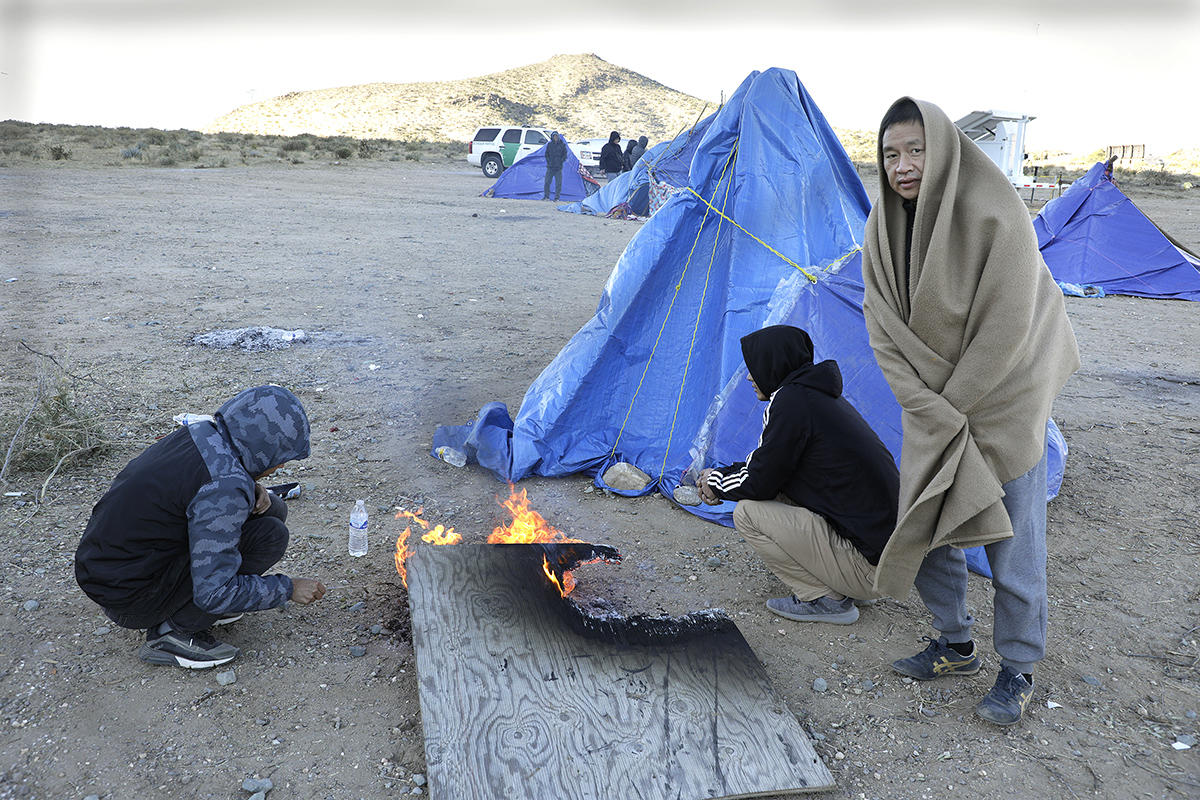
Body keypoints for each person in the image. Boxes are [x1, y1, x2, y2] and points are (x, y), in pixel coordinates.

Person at [861, 98, 1080, 725]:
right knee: (929, 522)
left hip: (1003, 400)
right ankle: (954, 644)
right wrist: (928, 409)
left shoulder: (994, 213)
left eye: (915, 150)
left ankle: (1018, 666)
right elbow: (880, 325)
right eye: (890, 154)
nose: (903, 166)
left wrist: (952, 406)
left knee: (1014, 539)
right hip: (934, 406)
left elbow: (1010, 324)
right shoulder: (884, 228)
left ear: (944, 150)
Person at [74, 385, 327, 669]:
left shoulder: (205, 433)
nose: (280, 467)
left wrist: (250, 486)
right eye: (279, 458)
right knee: (271, 537)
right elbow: (214, 592)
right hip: (130, 595)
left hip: (114, 567)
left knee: (273, 510)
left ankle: (189, 607)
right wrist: (287, 588)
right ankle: (173, 632)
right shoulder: (224, 487)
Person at [695, 325, 900, 625]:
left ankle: (826, 599)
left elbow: (759, 481)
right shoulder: (815, 397)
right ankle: (844, 583)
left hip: (867, 568)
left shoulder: (789, 402)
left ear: (774, 364)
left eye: (755, 367)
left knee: (747, 514)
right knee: (780, 491)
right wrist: (721, 476)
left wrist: (715, 483)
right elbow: (768, 464)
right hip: (887, 560)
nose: (751, 377)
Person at [543, 132, 568, 201]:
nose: (555, 138)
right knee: (547, 182)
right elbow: (546, 154)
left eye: (556, 136)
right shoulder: (550, 145)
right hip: (550, 166)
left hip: (558, 167)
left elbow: (565, 155)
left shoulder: (562, 145)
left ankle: (557, 197)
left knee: (558, 183)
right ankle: (546, 196)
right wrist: (549, 161)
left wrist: (561, 161)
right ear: (552, 137)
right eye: (554, 136)